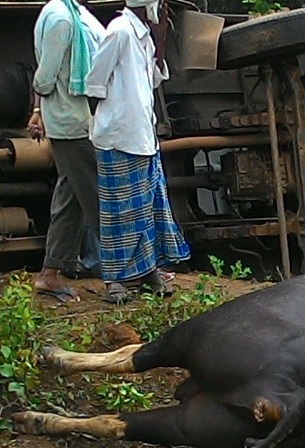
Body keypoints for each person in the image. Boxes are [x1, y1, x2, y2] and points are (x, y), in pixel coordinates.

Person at [86, 0, 190, 303]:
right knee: (119, 212)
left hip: (144, 137)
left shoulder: (143, 35)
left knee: (148, 208)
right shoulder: (119, 31)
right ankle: (115, 279)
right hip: (119, 137)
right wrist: (110, 119)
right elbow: (95, 83)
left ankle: (148, 271)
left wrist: (160, 40)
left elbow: (154, 79)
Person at [30, 0, 103, 302]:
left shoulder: (74, 11)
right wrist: (38, 110)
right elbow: (45, 76)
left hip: (77, 118)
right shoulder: (61, 17)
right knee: (98, 194)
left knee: (70, 198)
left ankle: (50, 273)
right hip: (72, 122)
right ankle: (126, 270)